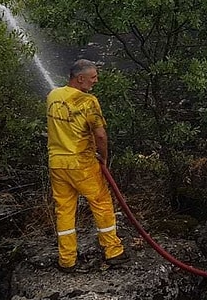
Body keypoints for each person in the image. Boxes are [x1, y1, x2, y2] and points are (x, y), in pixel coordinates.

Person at [47, 59, 129, 272]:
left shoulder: (53, 96)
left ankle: (67, 260)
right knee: (101, 203)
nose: (96, 81)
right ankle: (113, 251)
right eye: (93, 77)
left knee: (64, 210)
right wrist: (104, 157)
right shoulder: (88, 101)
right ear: (80, 78)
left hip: (57, 164)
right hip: (81, 163)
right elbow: (100, 135)